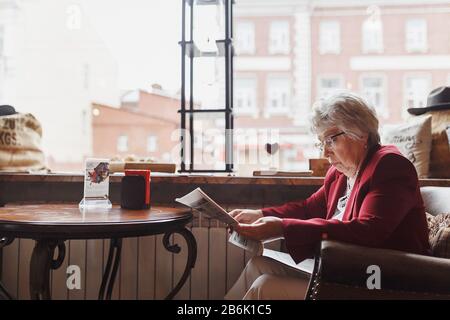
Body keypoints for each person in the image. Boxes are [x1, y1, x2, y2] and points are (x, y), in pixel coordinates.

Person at [225, 91, 431, 300]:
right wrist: (259, 214)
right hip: (349, 272)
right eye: (321, 142)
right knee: (258, 265)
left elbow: (369, 231)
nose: (325, 152)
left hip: (385, 282)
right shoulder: (340, 173)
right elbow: (308, 208)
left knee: (265, 286)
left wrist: (281, 227)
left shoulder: (389, 165)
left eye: (331, 140)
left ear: (361, 134)